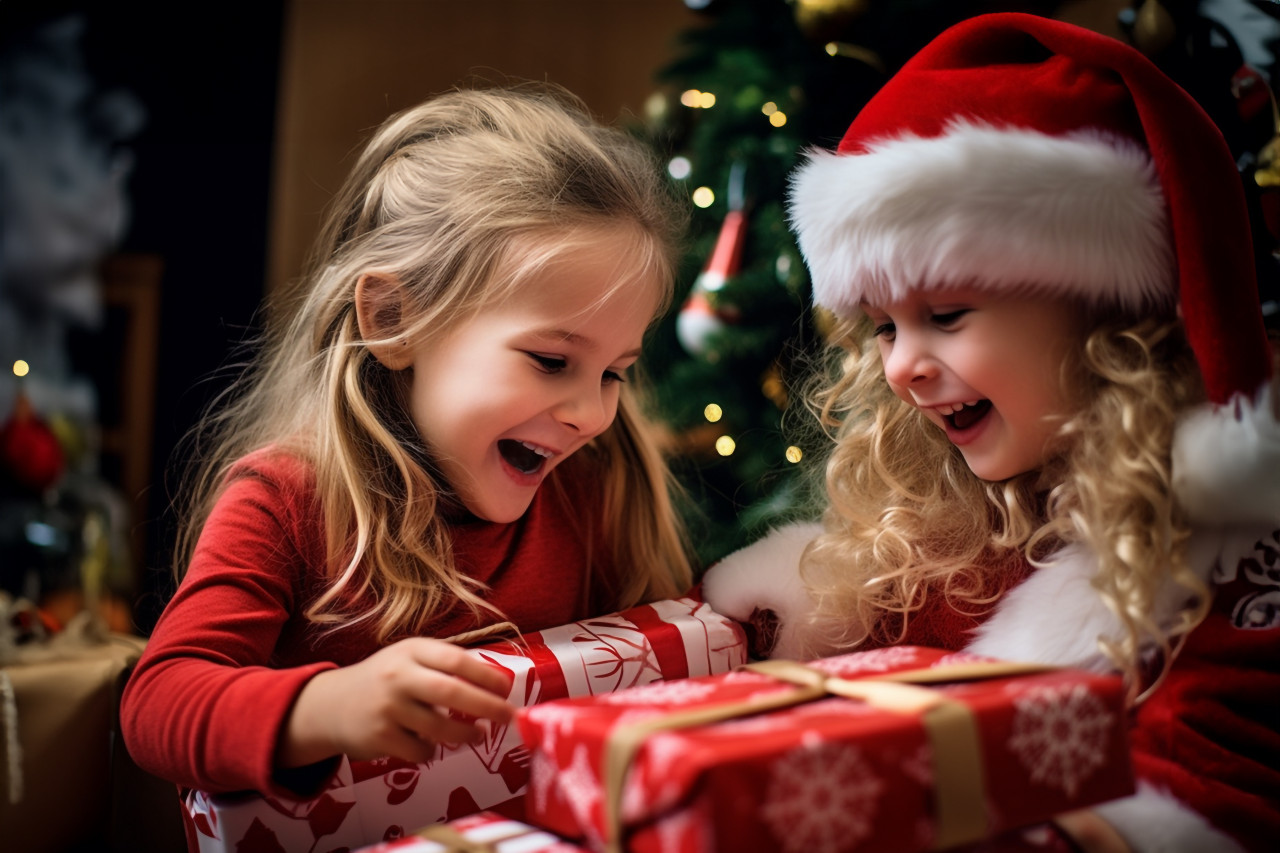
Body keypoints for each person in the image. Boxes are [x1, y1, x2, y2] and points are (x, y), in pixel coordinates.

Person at [703, 13, 1279, 853]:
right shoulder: (960, 520)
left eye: (944, 315)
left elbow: (1222, 788)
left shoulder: (1230, 556)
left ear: (1103, 317)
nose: (903, 366)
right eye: (884, 328)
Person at [120, 83, 694, 797]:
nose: (590, 413)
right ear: (395, 318)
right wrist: (324, 707)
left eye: (615, 373)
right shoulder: (288, 500)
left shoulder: (591, 494)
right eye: (552, 360)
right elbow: (157, 703)